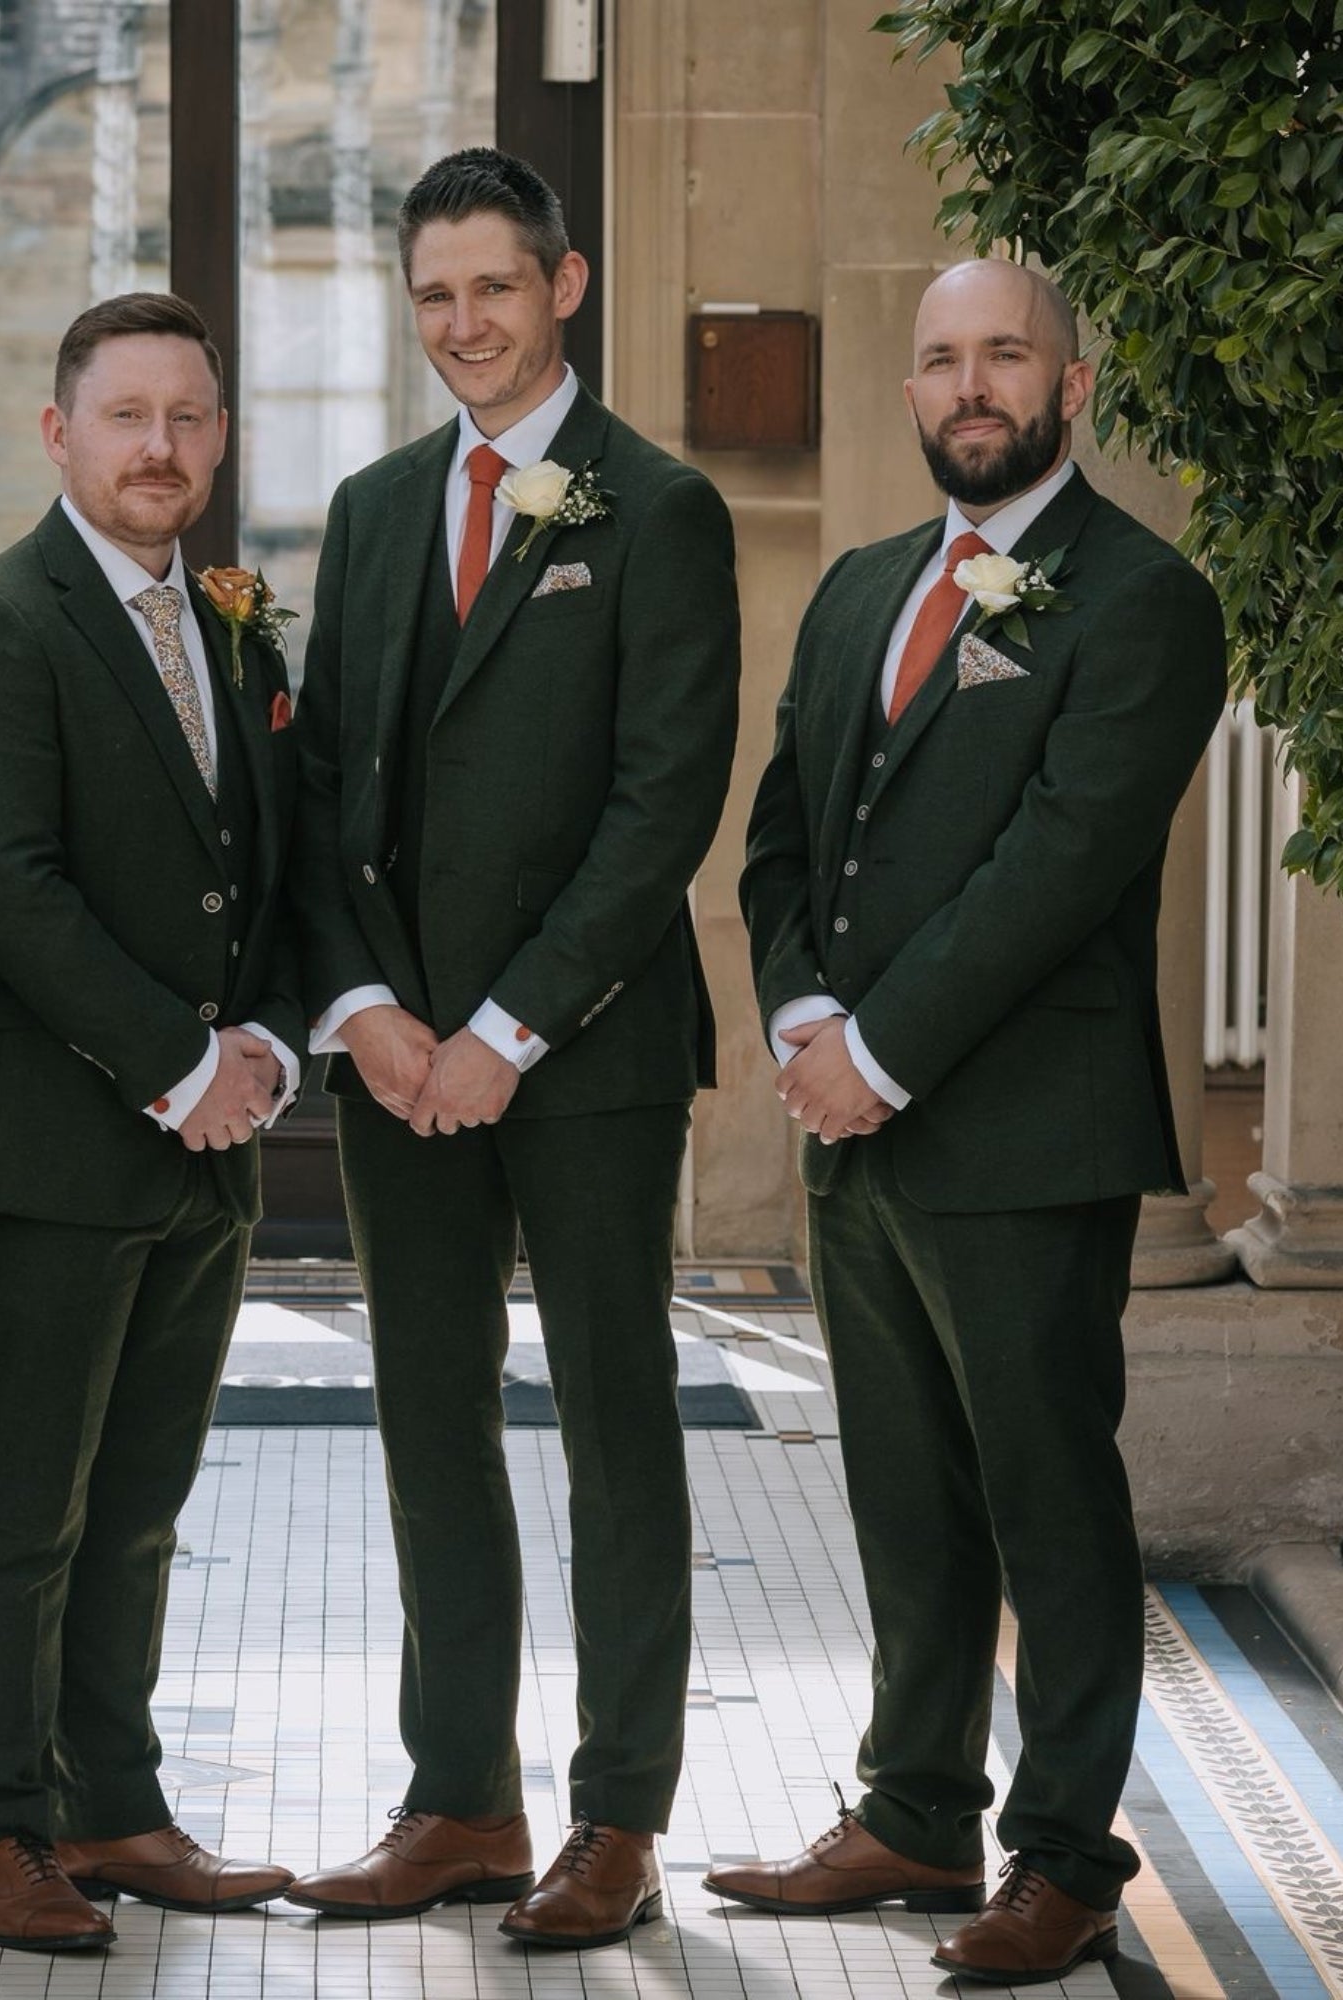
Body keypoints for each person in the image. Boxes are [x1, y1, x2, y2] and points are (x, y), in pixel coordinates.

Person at [722, 257, 1226, 1983]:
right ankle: (917, 1813)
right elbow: (786, 829)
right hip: (853, 1120)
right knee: (905, 1496)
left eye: (1005, 353)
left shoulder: (1141, 599)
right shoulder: (864, 588)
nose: (970, 386)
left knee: (1045, 1500)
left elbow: (1058, 867)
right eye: (941, 360)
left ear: (1069, 385)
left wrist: (885, 1048)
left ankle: (1070, 1853)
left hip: (1024, 1132)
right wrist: (804, 1017)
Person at [284, 148, 740, 1951]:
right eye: (434, 296)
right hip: (398, 1064)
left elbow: (661, 806)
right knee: (427, 1421)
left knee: (622, 1428)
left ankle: (618, 1815)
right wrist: (377, 1018)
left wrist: (506, 1029)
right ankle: (462, 1800)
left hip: (590, 1053)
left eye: (494, 286)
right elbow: (324, 789)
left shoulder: (660, 505)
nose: (463, 323)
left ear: (563, 286)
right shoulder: (379, 505)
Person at [0, 293, 305, 1954]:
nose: (161, 447)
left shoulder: (239, 622)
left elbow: (272, 860)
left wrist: (265, 1039)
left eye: (189, 417)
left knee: (139, 1502)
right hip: (49, 1154)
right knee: (28, 1504)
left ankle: (114, 1806)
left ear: (218, 435)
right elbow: (6, 890)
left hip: (204, 1160)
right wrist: (176, 1061)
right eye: (126, 416)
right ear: (59, 436)